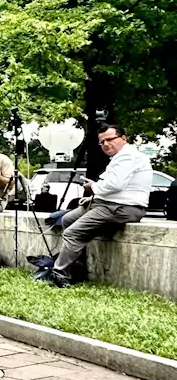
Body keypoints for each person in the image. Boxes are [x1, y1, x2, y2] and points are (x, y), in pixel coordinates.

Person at [36, 122, 151, 287]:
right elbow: (120, 187)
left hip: (121, 208)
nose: (106, 144)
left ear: (124, 138)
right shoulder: (119, 157)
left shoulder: (129, 156)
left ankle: (59, 275)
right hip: (107, 204)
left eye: (110, 139)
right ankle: (76, 267)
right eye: (102, 142)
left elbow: (115, 185)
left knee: (72, 233)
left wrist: (93, 187)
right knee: (68, 219)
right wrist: (92, 197)